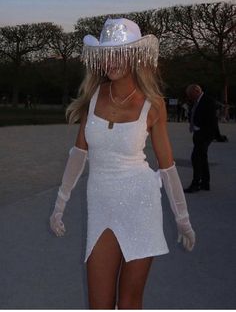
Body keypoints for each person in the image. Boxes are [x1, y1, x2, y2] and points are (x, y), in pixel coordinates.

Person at [49, 18, 196, 309]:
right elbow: (79, 154)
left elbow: (166, 167)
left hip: (141, 204)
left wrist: (183, 220)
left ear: (134, 55)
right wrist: (60, 204)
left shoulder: (153, 104)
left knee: (129, 302)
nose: (110, 60)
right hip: (101, 204)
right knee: (99, 304)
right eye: (106, 53)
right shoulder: (93, 97)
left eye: (118, 52)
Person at [185, 84, 218, 193]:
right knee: (202, 158)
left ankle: (196, 184)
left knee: (196, 158)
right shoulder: (197, 101)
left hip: (205, 134)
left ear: (196, 91)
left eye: (190, 94)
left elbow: (212, 120)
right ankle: (205, 183)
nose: (190, 97)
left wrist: (204, 133)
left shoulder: (208, 101)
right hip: (199, 133)